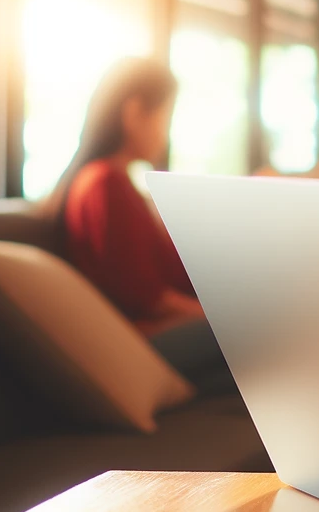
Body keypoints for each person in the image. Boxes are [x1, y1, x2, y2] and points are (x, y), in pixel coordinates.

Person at [44, 57, 232, 392]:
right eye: (166, 118)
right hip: (143, 340)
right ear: (133, 114)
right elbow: (149, 299)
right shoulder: (104, 184)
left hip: (149, 335)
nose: (167, 135)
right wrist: (222, 314)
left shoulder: (111, 184)